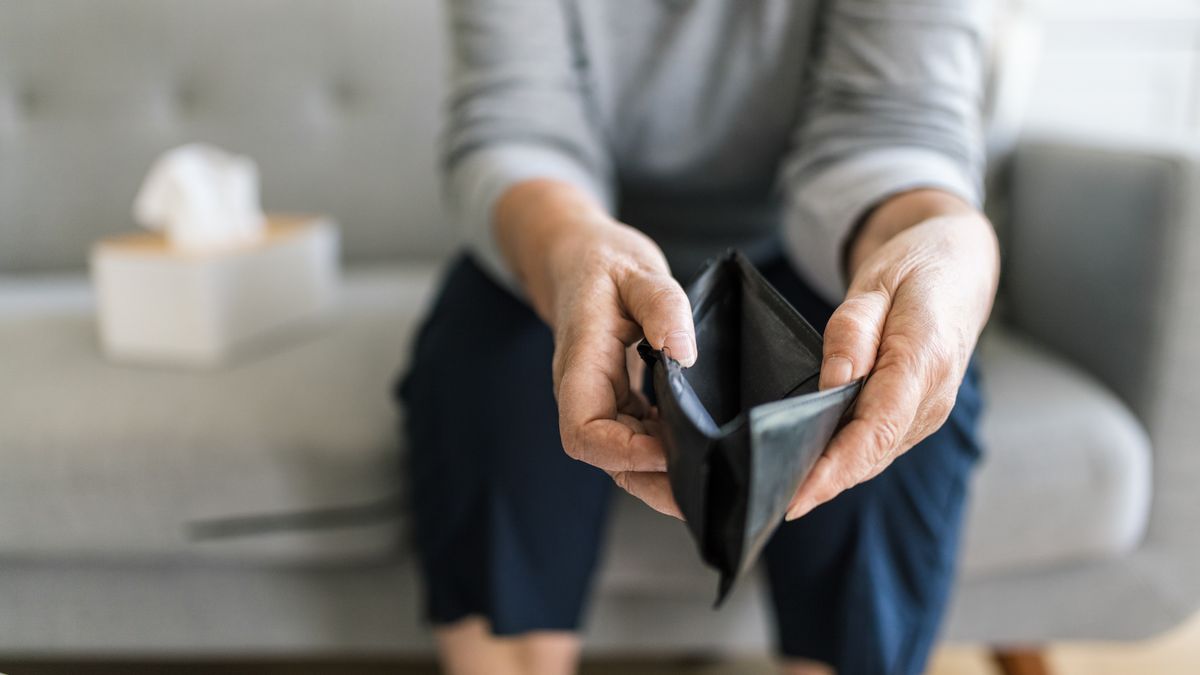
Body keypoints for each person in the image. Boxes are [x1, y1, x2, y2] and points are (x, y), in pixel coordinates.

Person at [396, 1, 999, 673]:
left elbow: (894, 124)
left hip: (817, 244)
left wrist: (948, 241)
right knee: (484, 384)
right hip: (572, 232)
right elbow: (515, 119)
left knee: (893, 404)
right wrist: (571, 245)